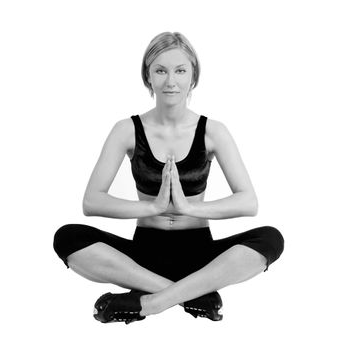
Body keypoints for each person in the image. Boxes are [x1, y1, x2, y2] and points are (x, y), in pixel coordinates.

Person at [53, 32, 284, 324]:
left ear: (193, 76)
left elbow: (248, 202)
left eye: (180, 70)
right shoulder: (126, 130)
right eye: (160, 70)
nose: (170, 81)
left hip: (201, 256)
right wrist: (152, 207)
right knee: (67, 237)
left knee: (271, 239)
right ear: (148, 76)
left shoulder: (214, 131)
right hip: (141, 257)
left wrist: (189, 208)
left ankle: (152, 301)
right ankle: (192, 295)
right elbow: (91, 201)